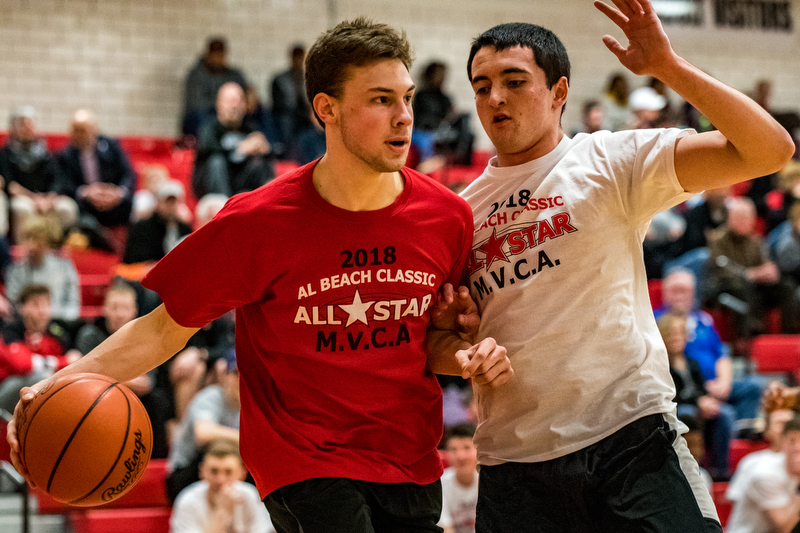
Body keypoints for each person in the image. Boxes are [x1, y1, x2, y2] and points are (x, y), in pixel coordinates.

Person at [7, 17, 510, 533]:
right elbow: (162, 328)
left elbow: (434, 341)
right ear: (325, 108)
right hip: (305, 463)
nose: (404, 117)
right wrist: (53, 388)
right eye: (381, 99)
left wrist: (463, 349)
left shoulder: (448, 217)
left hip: (408, 457)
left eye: (405, 98)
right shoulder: (255, 222)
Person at [438, 1, 794, 530]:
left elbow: (769, 150)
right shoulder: (458, 212)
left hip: (631, 440)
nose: (495, 97)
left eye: (514, 80)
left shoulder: (610, 160)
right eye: (481, 84)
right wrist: (464, 354)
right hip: (514, 464)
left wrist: (669, 68)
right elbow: (440, 344)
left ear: (559, 92)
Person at [654, 268, 764, 428]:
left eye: (684, 291)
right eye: (675, 291)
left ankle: (742, 432)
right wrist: (702, 393)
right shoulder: (656, 321)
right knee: (719, 413)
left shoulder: (704, 321)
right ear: (665, 293)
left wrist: (724, 383)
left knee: (753, 386)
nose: (680, 296)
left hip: (716, 383)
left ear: (693, 293)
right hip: (687, 384)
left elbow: (721, 355)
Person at [74, 281, 171, 458]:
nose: (119, 314)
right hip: (97, 396)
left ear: (135, 311)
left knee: (157, 400)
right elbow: (87, 377)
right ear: (105, 309)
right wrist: (123, 377)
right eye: (114, 307)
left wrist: (106, 374)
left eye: (124, 308)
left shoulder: (144, 339)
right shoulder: (90, 334)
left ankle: (156, 462)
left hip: (133, 396)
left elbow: (146, 384)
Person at [706, 196, 799, 337]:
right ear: (729, 218)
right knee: (743, 286)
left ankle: (788, 333)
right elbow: (722, 267)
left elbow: (766, 263)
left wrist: (770, 271)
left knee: (786, 286)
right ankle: (750, 336)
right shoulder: (717, 239)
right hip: (726, 286)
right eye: (740, 217)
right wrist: (750, 274)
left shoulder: (755, 240)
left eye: (747, 217)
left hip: (755, 284)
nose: (744, 221)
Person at [658, 312, 733, 480]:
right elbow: (668, 396)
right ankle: (690, 467)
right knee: (688, 414)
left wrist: (708, 401)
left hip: (696, 407)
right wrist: (699, 403)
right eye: (671, 334)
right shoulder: (659, 365)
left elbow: (701, 390)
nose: (676, 338)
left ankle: (720, 470)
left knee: (725, 414)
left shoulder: (692, 363)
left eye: (680, 333)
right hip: (675, 409)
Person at [166, 348, 241, 502]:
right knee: (218, 451)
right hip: (186, 473)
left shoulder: (253, 404)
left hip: (226, 472)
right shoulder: (210, 396)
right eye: (235, 373)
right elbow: (204, 433)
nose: (240, 379)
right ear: (225, 375)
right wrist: (247, 438)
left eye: (245, 374)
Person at [0, 105, 77, 242]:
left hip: (46, 197)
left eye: (30, 122)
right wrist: (34, 199)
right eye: (23, 123)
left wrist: (50, 197)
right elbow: (11, 185)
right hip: (23, 197)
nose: (27, 126)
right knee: (21, 208)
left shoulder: (45, 152)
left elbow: (57, 179)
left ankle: (59, 248)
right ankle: (23, 248)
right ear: (13, 127)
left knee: (67, 207)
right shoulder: (6, 154)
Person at [0, 284, 80, 413]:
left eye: (46, 305)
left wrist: (42, 363)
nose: (42, 310)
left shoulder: (57, 331)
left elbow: (77, 360)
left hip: (39, 390)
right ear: (23, 308)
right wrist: (61, 362)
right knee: (43, 378)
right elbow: (23, 364)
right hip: (7, 391)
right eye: (35, 305)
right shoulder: (11, 330)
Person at [55, 109, 136, 235]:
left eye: (82, 130)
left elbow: (128, 173)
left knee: (134, 206)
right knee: (75, 210)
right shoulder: (65, 155)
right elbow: (64, 184)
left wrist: (118, 193)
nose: (77, 134)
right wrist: (86, 192)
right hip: (86, 203)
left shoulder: (111, 146)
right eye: (74, 130)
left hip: (113, 200)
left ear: (94, 129)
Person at [191, 82, 275, 199]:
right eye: (230, 101)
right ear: (219, 105)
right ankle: (223, 207)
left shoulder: (251, 129)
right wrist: (241, 148)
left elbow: (270, 153)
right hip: (210, 190)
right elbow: (212, 151)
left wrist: (265, 149)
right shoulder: (209, 130)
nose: (235, 106)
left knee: (259, 160)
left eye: (238, 101)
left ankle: (263, 204)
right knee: (216, 161)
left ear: (245, 106)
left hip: (239, 183)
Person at [170, 438, 274, 533]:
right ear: (202, 471)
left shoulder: (249, 495)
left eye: (228, 472)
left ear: (242, 473)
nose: (221, 480)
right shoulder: (188, 501)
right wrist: (221, 512)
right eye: (214, 471)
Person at [725, 413, 800, 533]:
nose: (798, 447)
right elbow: (784, 529)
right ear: (783, 442)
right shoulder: (764, 473)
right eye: (792, 441)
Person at [5, 216, 80, 322]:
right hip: (26, 323)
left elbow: (73, 305)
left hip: (58, 323)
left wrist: (50, 317)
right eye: (28, 238)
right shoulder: (16, 271)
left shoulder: (64, 267)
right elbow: (13, 306)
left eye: (37, 239)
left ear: (46, 242)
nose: (32, 245)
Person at [182, 37, 248, 141]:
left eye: (221, 55)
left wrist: (250, 97)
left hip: (226, 114)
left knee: (260, 112)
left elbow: (245, 94)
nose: (218, 58)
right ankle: (208, 144)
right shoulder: (196, 75)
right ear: (208, 54)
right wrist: (223, 106)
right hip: (202, 115)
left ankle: (275, 148)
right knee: (204, 116)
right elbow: (197, 103)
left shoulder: (234, 74)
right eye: (215, 55)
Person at [123, 179, 193, 265]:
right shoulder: (142, 227)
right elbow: (133, 258)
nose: (171, 206)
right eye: (167, 201)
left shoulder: (184, 228)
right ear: (158, 202)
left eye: (174, 201)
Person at [270, 44, 314, 160]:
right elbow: (278, 107)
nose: (298, 60)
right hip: (287, 118)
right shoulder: (279, 80)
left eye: (300, 57)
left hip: (305, 118)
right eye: (296, 57)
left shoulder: (309, 78)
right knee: (286, 123)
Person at [439, 423, 479, 533]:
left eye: (467, 448)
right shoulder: (440, 484)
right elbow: (445, 528)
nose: (460, 456)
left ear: (478, 450)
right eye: (453, 449)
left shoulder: (487, 482)